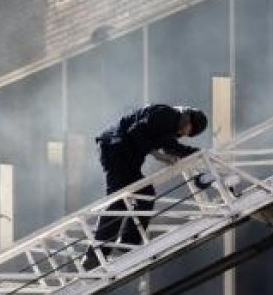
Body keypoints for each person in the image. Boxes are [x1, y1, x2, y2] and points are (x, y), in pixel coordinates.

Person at [85, 104, 208, 268]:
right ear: (189, 121)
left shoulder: (171, 127)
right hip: (116, 148)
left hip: (127, 154)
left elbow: (173, 147)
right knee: (119, 201)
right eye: (189, 131)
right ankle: (95, 255)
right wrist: (157, 155)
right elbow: (135, 131)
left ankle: (129, 242)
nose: (185, 134)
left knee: (146, 194)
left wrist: (200, 154)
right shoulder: (166, 115)